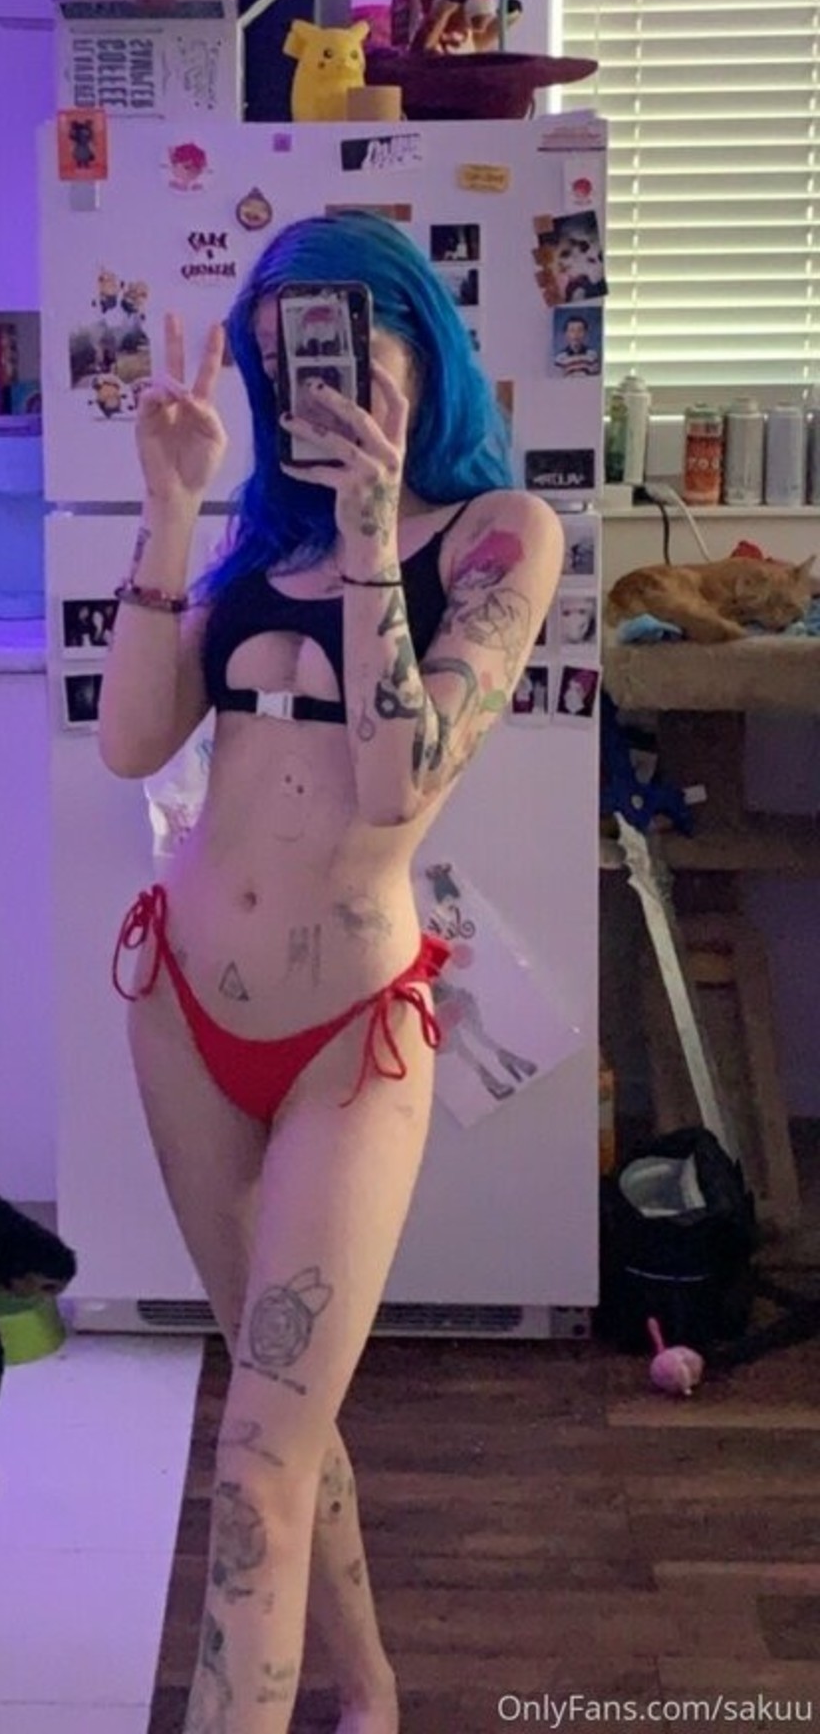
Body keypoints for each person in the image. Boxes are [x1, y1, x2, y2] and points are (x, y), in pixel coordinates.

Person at [97, 212, 563, 1734]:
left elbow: (394, 781)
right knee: (273, 1407)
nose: (317, 376)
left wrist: (371, 537)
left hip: (349, 1044)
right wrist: (174, 509)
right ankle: (368, 1687)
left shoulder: (499, 536)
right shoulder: (260, 544)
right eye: (282, 348)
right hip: (183, 1012)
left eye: (346, 336)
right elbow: (132, 742)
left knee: (255, 1462)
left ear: (418, 338)